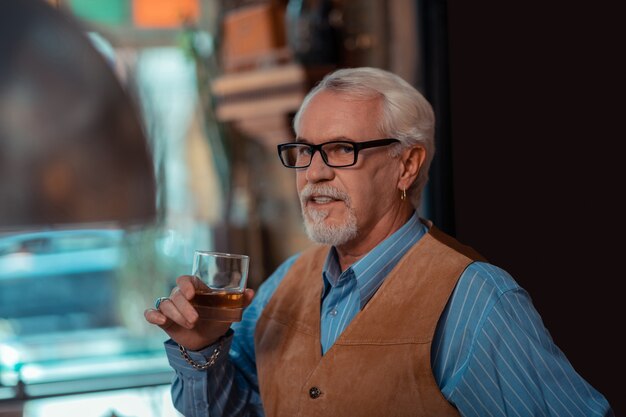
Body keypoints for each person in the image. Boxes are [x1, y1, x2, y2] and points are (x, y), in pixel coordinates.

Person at [144, 67, 613, 416]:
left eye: (342, 149)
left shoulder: (477, 300)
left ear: (406, 166)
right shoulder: (285, 281)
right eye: (304, 150)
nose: (314, 172)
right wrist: (202, 348)